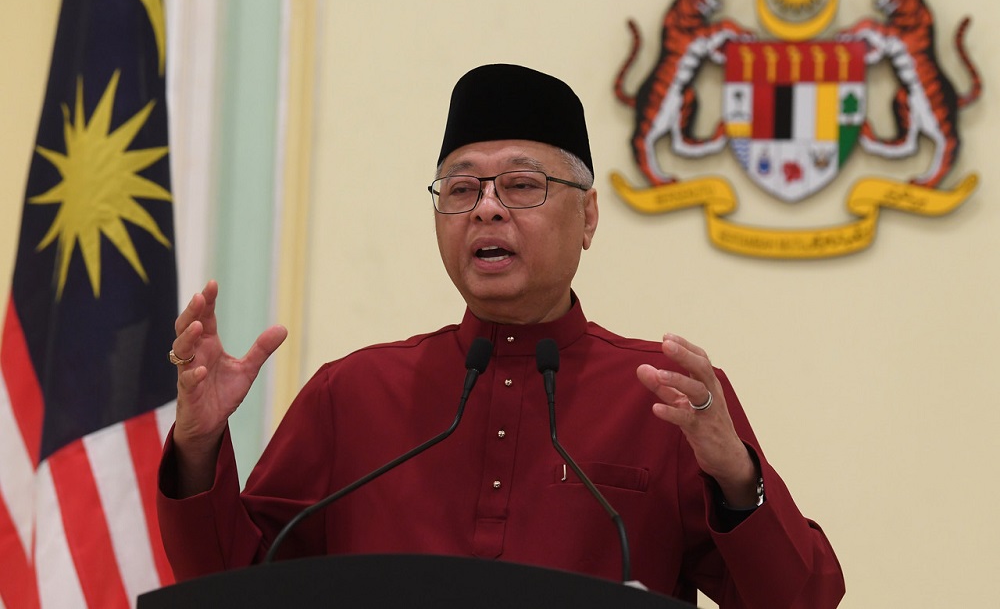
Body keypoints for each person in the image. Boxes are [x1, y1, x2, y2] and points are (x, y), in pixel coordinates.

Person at [158, 63, 845, 607]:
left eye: (521, 185)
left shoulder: (667, 398)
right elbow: (231, 590)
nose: (486, 208)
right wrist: (197, 446)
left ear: (589, 219)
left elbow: (801, 601)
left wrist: (735, 476)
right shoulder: (353, 393)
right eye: (461, 190)